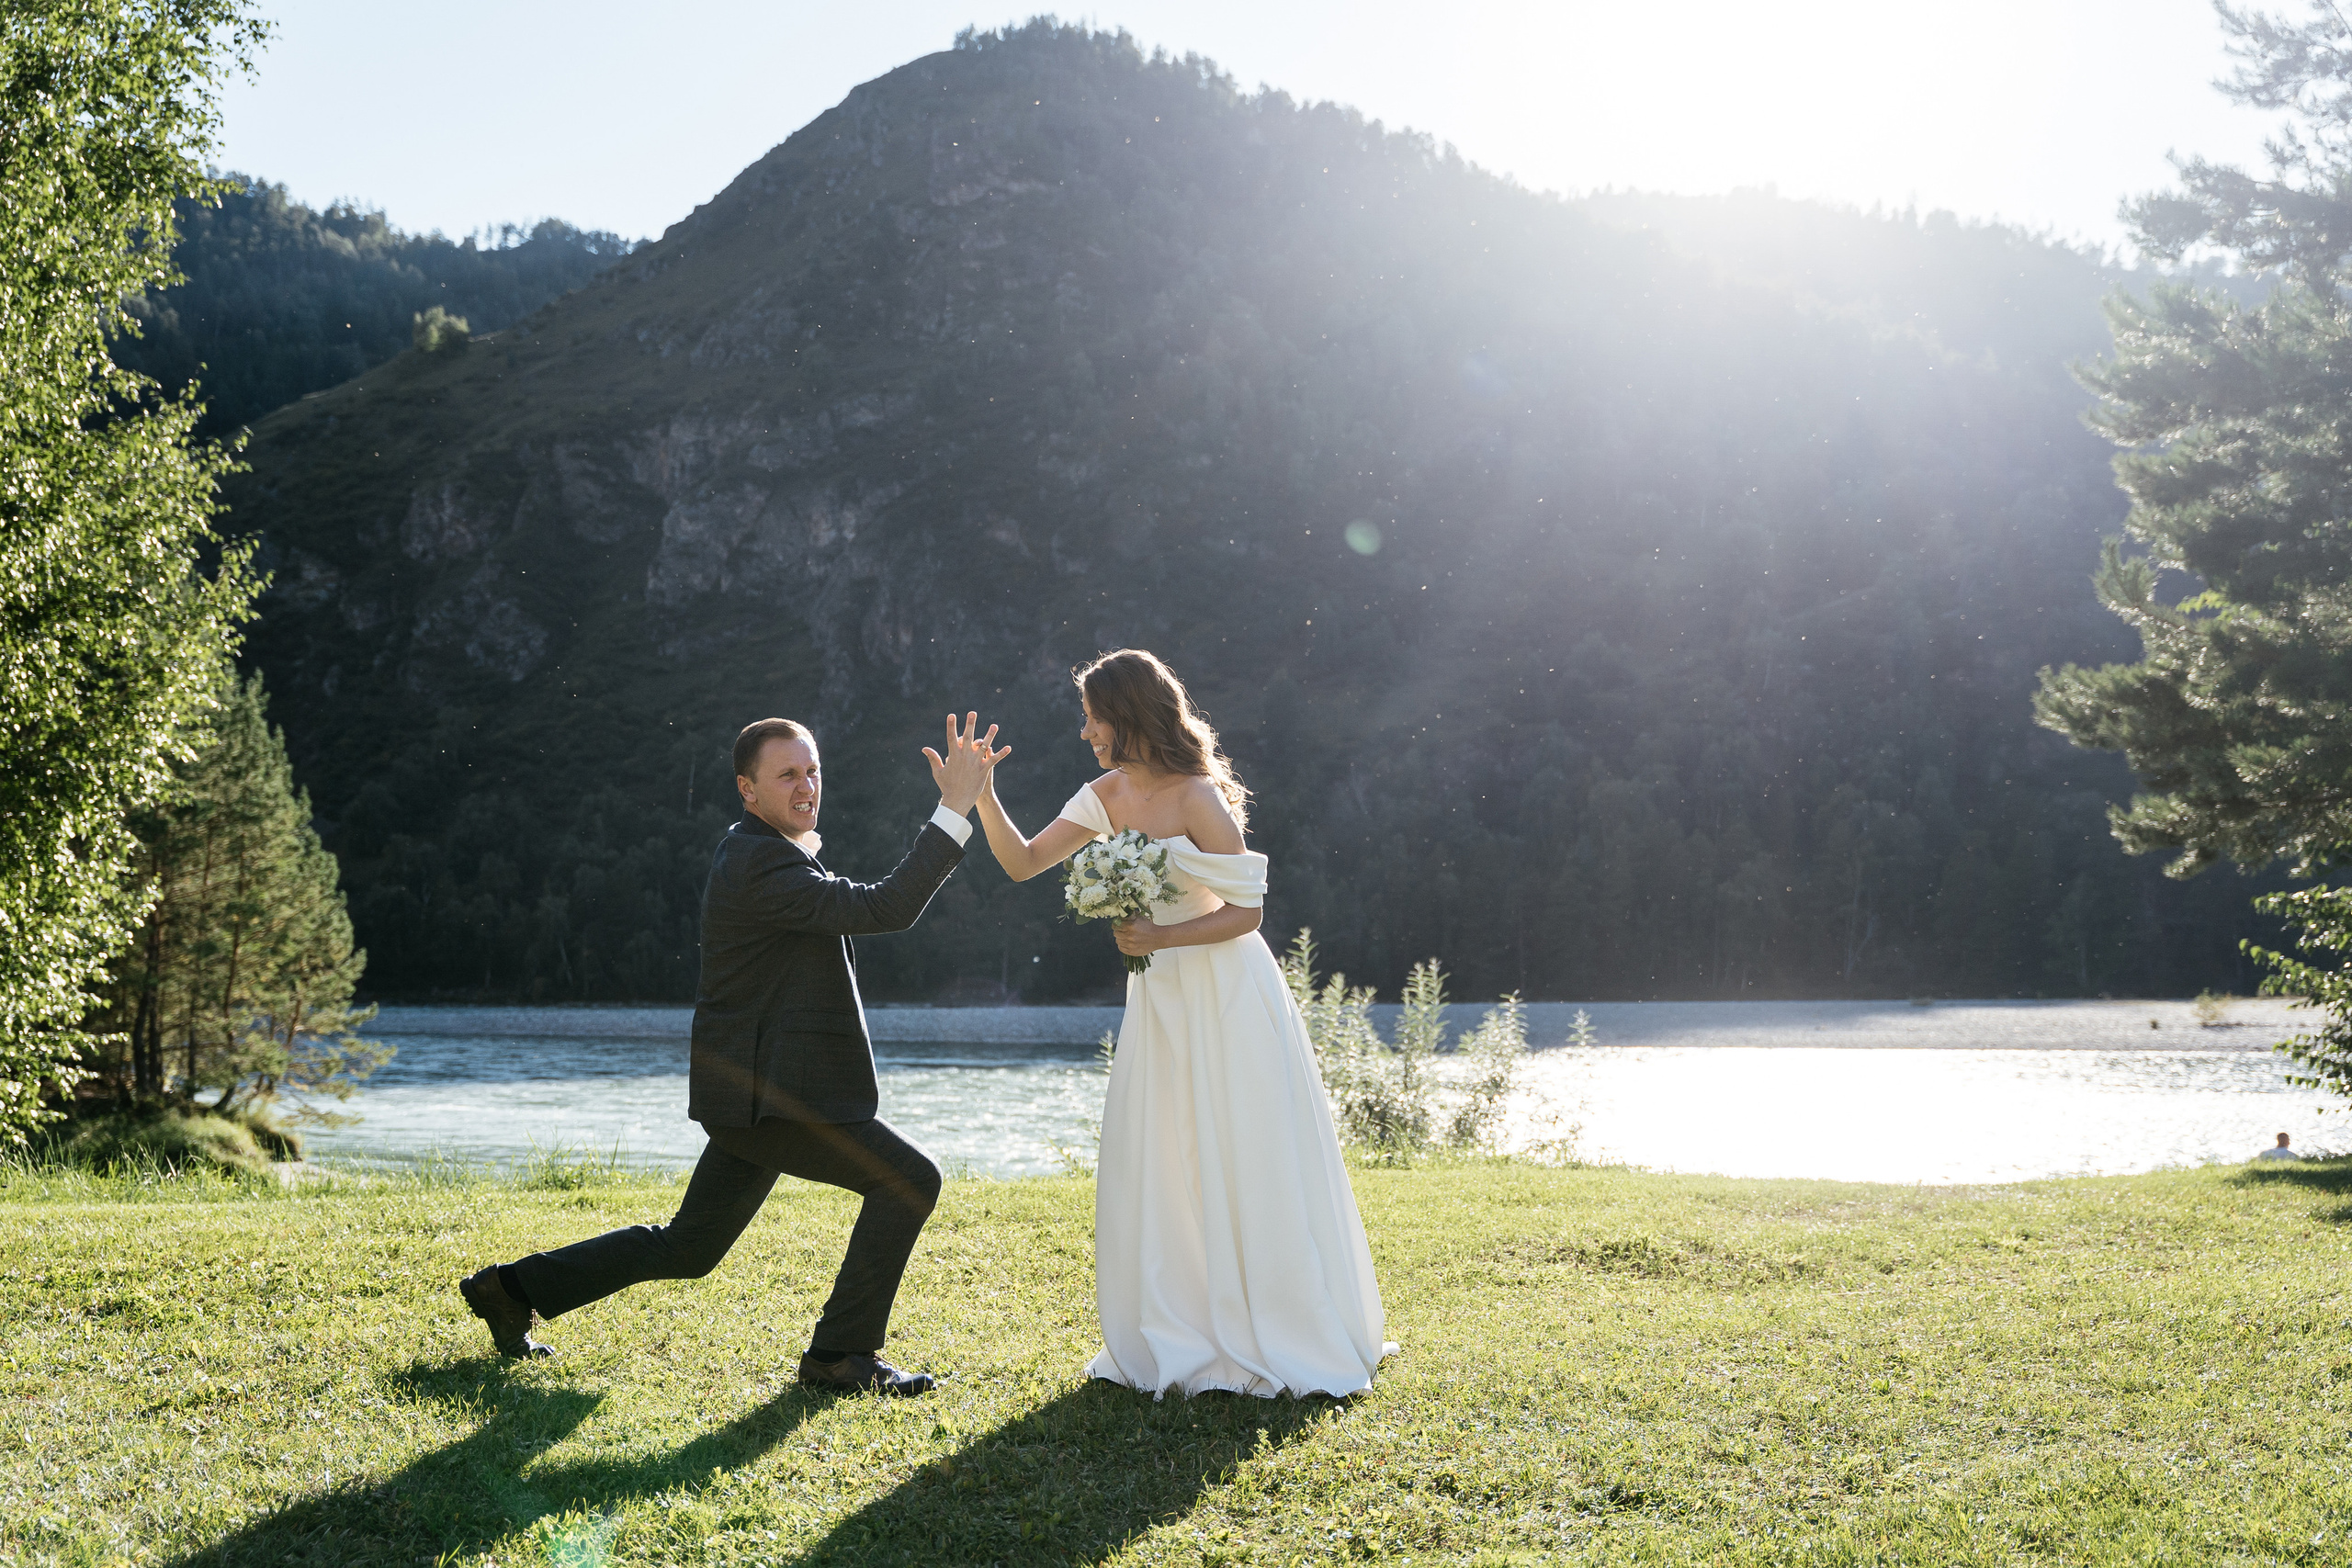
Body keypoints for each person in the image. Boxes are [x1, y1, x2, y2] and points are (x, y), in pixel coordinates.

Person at [458, 712, 1004, 1395]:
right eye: (788, 774)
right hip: (773, 1099)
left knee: (687, 1247)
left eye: (813, 771)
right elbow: (885, 906)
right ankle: (840, 1357)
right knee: (907, 1179)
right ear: (748, 789)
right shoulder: (759, 859)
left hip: (754, 1094)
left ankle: (507, 1289)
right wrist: (955, 806)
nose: (807, 785)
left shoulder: (763, 848)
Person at [973, 649, 1392, 1397]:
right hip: (1160, 996)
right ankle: (1184, 1326)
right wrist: (981, 794)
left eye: (1093, 717)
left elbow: (1249, 912)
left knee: (1242, 1147)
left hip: (1226, 986)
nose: (1085, 732)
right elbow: (1024, 861)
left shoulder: (1200, 797)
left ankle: (1279, 1324)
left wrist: (1161, 936)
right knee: (1165, 1151)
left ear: (1126, 714)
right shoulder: (1102, 795)